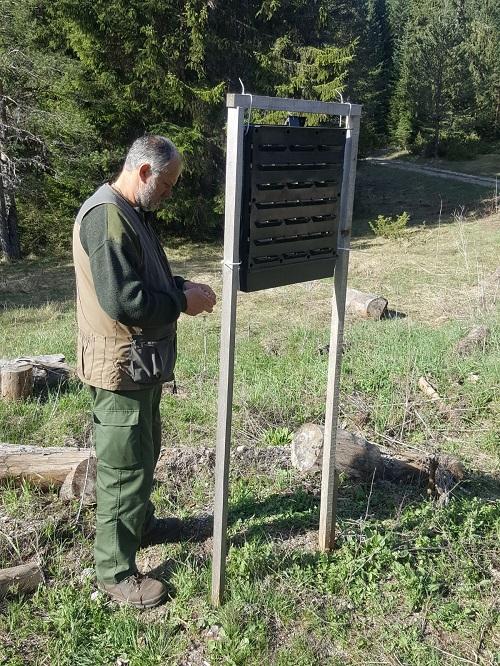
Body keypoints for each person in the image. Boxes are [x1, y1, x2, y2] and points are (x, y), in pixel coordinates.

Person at [72, 135, 216, 608]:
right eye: (168, 185)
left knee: (143, 451)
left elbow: (141, 280)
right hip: (120, 368)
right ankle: (114, 573)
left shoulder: (131, 213)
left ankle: (142, 525)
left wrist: (177, 285)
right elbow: (124, 300)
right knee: (122, 468)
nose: (170, 194)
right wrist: (182, 302)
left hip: (139, 365)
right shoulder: (107, 217)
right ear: (143, 173)